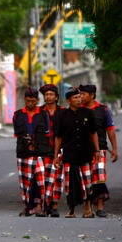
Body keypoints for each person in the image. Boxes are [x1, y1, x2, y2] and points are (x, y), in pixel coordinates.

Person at [53, 87, 100, 218]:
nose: (79, 100)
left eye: (80, 97)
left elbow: (93, 133)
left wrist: (97, 150)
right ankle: (71, 209)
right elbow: (58, 137)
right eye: (75, 98)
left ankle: (87, 208)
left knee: (87, 182)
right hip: (69, 154)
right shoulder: (62, 115)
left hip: (86, 153)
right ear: (68, 100)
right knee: (70, 184)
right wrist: (56, 155)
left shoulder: (88, 113)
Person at [79, 84, 119, 218]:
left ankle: (100, 207)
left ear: (92, 95)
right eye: (80, 94)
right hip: (82, 150)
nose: (81, 97)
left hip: (100, 149)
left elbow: (111, 130)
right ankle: (88, 206)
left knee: (99, 177)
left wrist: (114, 149)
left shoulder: (103, 110)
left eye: (84, 94)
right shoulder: (78, 110)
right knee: (86, 179)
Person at [13, 88, 50, 216]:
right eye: (28, 100)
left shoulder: (43, 114)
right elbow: (18, 134)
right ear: (25, 100)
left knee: (40, 181)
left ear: (37, 100)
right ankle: (28, 206)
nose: (30, 103)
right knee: (25, 182)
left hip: (40, 153)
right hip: (23, 153)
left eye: (33, 101)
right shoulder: (18, 114)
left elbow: (47, 133)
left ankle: (40, 206)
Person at [39, 84, 64, 217]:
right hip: (42, 150)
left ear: (56, 97)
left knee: (57, 179)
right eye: (46, 95)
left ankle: (54, 205)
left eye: (51, 94)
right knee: (43, 179)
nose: (48, 97)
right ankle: (44, 205)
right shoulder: (39, 112)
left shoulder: (63, 112)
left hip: (59, 150)